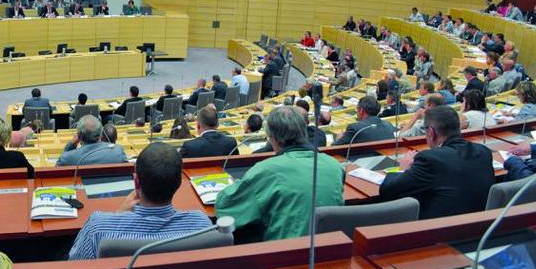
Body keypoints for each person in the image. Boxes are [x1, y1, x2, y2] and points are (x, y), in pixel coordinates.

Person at [215, 107, 344, 241]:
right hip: (328, 249)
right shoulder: (335, 166)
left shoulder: (266, 170)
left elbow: (224, 207)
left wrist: (240, 185)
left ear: (272, 139)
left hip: (284, 255)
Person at [68, 142, 211, 259]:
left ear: (136, 182)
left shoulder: (98, 228)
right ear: (179, 182)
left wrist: (117, 216)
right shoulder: (202, 224)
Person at [379, 106, 494, 219]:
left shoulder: (430, 159)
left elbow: (389, 190)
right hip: (480, 228)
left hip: (439, 232)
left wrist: (403, 169)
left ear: (431, 132)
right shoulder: (484, 152)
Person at [56, 115, 127, 166]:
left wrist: (71, 144)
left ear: (79, 136)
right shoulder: (118, 151)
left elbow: (58, 167)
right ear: (101, 134)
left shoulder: (68, 158)